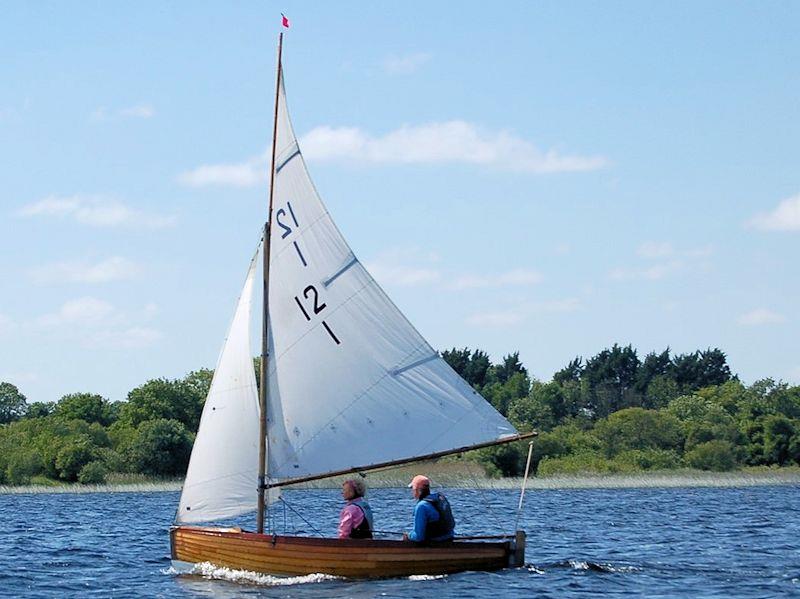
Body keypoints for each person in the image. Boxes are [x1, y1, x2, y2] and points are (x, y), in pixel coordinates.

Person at [404, 475, 455, 542]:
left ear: (416, 489)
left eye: (412, 488)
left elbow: (419, 537)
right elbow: (452, 524)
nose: (412, 491)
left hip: (435, 543)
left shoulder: (421, 506)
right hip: (449, 538)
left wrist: (408, 536)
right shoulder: (440, 499)